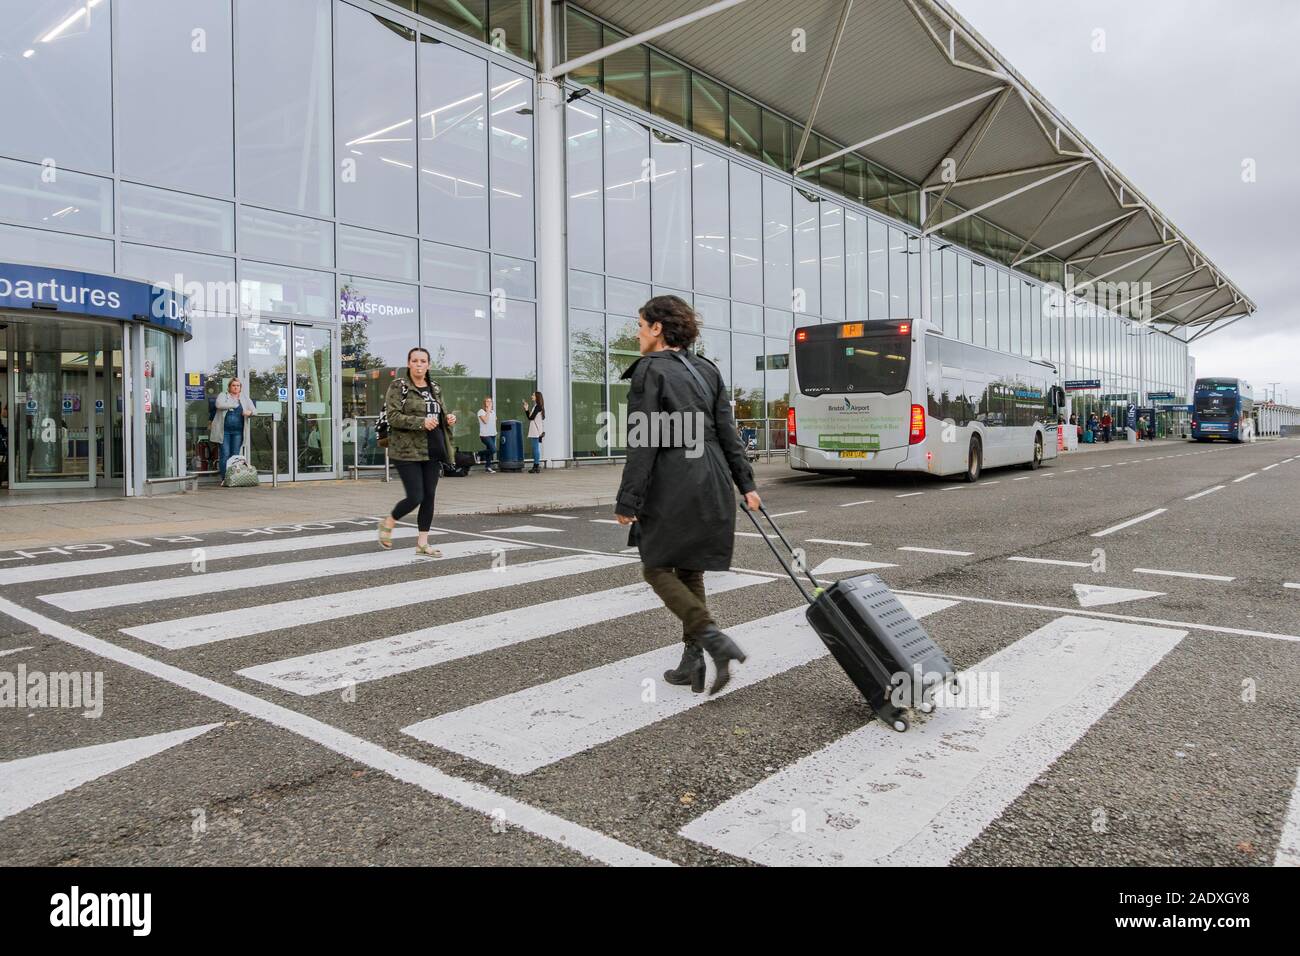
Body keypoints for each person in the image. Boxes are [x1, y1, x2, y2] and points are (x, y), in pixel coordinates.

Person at [615, 295, 759, 696]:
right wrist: (746, 485)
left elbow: (643, 441)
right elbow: (729, 433)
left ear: (657, 328)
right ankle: (692, 661)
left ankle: (713, 639)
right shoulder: (707, 370)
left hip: (675, 477)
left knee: (655, 565)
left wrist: (628, 500)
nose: (638, 332)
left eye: (641, 324)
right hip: (712, 476)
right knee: (688, 566)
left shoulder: (650, 370)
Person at [378, 348, 457, 556]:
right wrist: (420, 423)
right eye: (415, 361)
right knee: (415, 496)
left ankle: (422, 543)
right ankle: (389, 521)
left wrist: (448, 419)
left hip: (432, 448)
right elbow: (392, 417)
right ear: (409, 364)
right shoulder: (399, 386)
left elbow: (440, 413)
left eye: (423, 361)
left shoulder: (435, 388)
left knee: (429, 496)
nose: (419, 364)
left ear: (429, 365)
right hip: (406, 450)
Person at [210, 378, 255, 481]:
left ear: (240, 388)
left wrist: (250, 413)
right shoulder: (223, 395)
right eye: (233, 385)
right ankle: (225, 479)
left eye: (238, 385)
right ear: (229, 387)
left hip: (238, 432)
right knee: (225, 454)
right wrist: (234, 404)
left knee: (235, 456)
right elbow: (219, 405)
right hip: (224, 431)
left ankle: (234, 478)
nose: (236, 387)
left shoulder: (244, 398)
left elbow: (254, 410)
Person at [522, 391, 545, 474]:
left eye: (533, 395)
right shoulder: (537, 406)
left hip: (536, 430)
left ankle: (536, 466)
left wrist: (527, 409)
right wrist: (526, 409)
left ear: (537, 397)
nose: (532, 396)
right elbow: (530, 417)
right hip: (536, 430)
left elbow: (531, 417)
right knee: (535, 448)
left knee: (535, 448)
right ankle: (536, 466)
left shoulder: (538, 406)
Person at [477, 397, 497, 474]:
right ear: (484, 403)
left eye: (490, 401)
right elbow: (485, 421)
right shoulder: (481, 411)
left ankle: (488, 467)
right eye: (487, 401)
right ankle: (479, 453)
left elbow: (494, 420)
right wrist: (488, 411)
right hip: (485, 435)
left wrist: (490, 411)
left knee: (490, 451)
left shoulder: (493, 412)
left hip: (493, 434)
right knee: (493, 450)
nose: (489, 403)